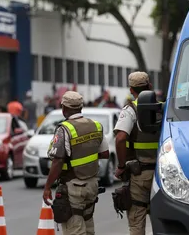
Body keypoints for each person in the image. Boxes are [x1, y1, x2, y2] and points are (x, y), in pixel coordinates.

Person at [43, 91, 109, 235]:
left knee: (75, 230)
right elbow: (105, 153)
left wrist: (47, 186)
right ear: (81, 107)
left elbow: (58, 160)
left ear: (64, 108)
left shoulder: (64, 129)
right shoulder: (96, 126)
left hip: (73, 186)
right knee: (88, 226)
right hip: (92, 184)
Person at [114, 72, 160, 235]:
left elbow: (120, 139)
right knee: (163, 221)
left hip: (139, 174)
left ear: (131, 90)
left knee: (136, 222)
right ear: (150, 87)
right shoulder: (163, 107)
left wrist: (121, 166)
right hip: (162, 175)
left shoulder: (131, 110)